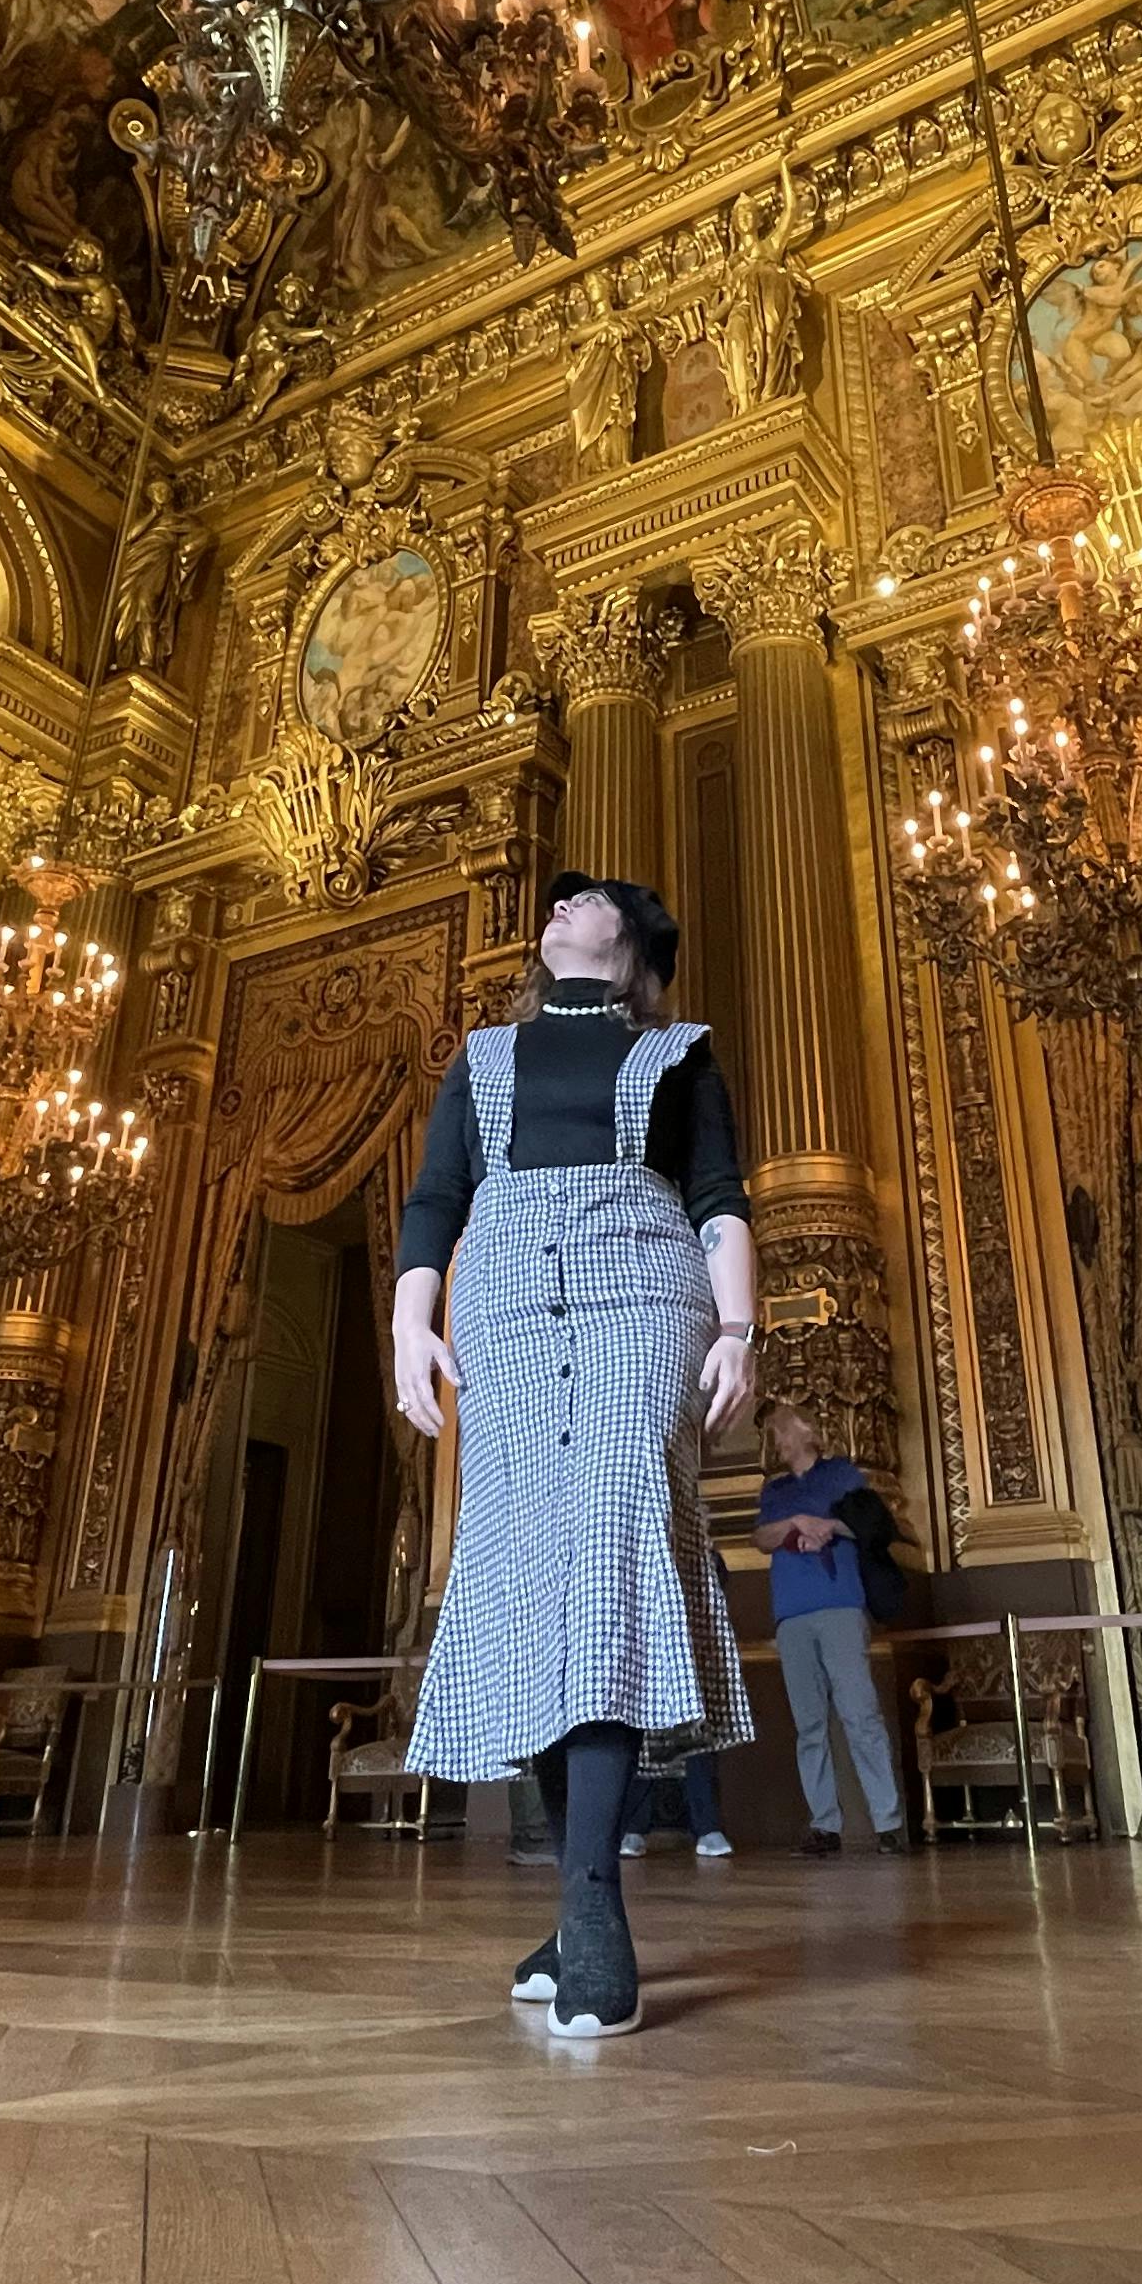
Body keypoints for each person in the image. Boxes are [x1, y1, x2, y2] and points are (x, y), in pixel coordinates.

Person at [392, 871, 756, 2043]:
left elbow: (719, 1197)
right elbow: (438, 1196)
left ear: (638, 940)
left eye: (584, 901)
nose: (557, 912)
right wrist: (411, 1322)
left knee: (607, 1554)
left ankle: (592, 1903)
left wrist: (741, 1327)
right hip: (499, 1301)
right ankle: (580, 1905)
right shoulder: (484, 1057)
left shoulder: (682, 1052)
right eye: (550, 909)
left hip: (642, 1291)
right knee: (537, 1583)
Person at [755, 1404, 909, 1856]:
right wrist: (796, 1524)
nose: (777, 1441)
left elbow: (874, 1525)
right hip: (792, 1614)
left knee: (860, 1715)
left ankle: (888, 1820)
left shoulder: (842, 1475)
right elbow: (760, 1537)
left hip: (840, 1605)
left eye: (782, 1430)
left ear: (808, 1430)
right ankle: (824, 1823)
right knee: (810, 1725)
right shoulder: (775, 1490)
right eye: (772, 1434)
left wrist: (827, 1526)